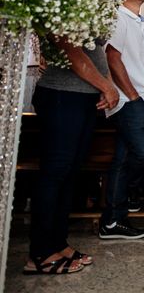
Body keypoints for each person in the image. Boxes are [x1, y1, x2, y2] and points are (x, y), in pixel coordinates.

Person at [25, 37, 119, 273]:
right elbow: (72, 52)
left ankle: (58, 242)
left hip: (84, 94)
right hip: (62, 94)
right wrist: (107, 86)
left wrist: (104, 86)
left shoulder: (92, 5)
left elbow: (96, 51)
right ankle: (40, 252)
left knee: (70, 173)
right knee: (55, 172)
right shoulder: (65, 4)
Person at [99, 0, 144, 240]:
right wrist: (135, 97)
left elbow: (139, 65)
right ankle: (122, 205)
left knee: (124, 158)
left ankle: (114, 220)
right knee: (143, 153)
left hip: (141, 101)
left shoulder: (138, 22)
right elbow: (112, 58)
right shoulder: (120, 17)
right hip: (128, 102)